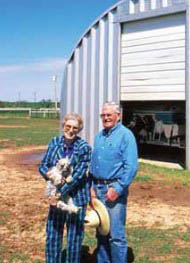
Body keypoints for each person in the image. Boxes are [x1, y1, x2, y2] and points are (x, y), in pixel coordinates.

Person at [39, 112, 91, 263]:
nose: (71, 130)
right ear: (63, 127)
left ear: (79, 130)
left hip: (76, 199)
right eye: (68, 126)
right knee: (53, 233)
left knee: (74, 238)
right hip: (56, 197)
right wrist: (49, 175)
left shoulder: (84, 148)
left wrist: (58, 194)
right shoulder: (54, 142)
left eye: (75, 127)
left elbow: (77, 177)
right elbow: (43, 165)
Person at [90, 102, 138, 263]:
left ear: (118, 116)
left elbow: (131, 166)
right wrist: (91, 186)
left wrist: (118, 188)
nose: (106, 118)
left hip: (113, 189)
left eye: (109, 115)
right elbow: (94, 164)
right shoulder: (99, 137)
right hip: (97, 188)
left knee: (116, 235)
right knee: (101, 232)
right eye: (103, 115)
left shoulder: (126, 135)